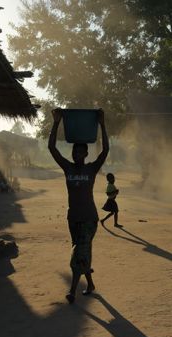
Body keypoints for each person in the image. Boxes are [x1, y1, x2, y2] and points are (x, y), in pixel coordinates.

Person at [48, 108, 109, 304]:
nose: (77, 154)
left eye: (80, 151)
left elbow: (106, 150)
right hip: (73, 218)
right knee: (81, 252)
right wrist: (56, 122)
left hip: (89, 219)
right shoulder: (68, 167)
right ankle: (90, 284)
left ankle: (72, 291)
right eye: (74, 151)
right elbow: (52, 148)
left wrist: (102, 124)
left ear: (86, 153)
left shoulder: (92, 168)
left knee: (78, 254)